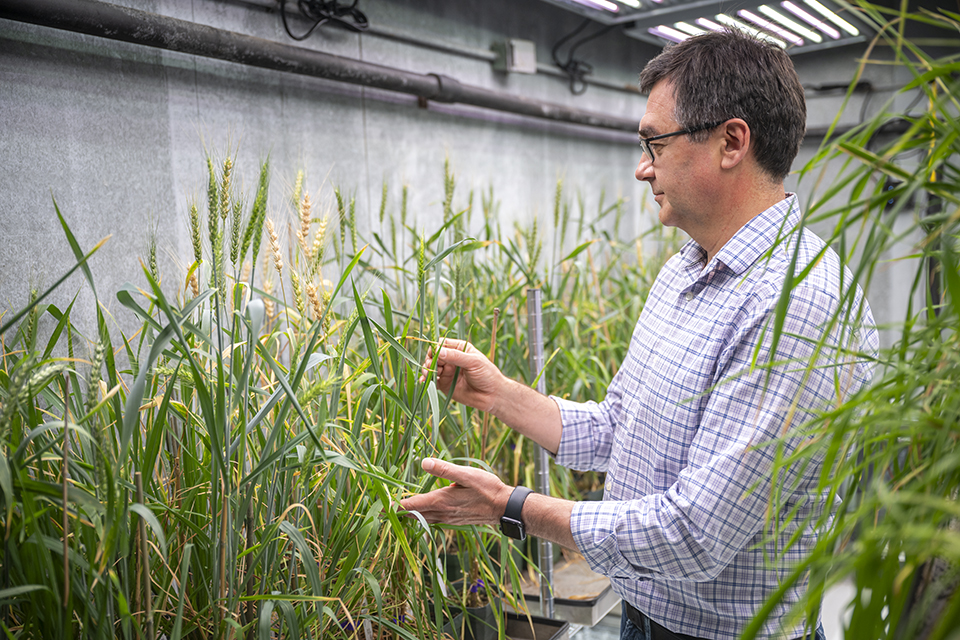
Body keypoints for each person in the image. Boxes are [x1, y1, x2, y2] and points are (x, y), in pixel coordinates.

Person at [399, 29, 877, 640]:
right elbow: (621, 428)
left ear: (731, 142)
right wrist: (498, 394)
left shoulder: (799, 305)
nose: (641, 166)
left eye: (655, 142)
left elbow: (695, 534)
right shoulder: (685, 270)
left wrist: (509, 508)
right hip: (645, 612)